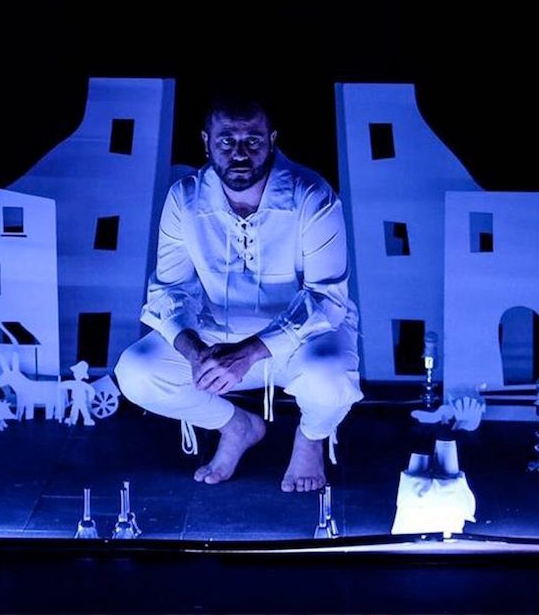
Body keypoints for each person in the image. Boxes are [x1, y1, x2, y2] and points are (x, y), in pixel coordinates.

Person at [114, 95, 362, 491]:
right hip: (218, 336)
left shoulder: (312, 195)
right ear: (206, 142)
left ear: (272, 140)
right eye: (227, 141)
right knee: (136, 371)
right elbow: (168, 292)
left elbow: (325, 301)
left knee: (330, 378)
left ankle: (310, 439)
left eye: (253, 141)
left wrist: (248, 353)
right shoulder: (184, 198)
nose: (240, 153)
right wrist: (196, 352)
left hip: (303, 340)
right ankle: (236, 427)